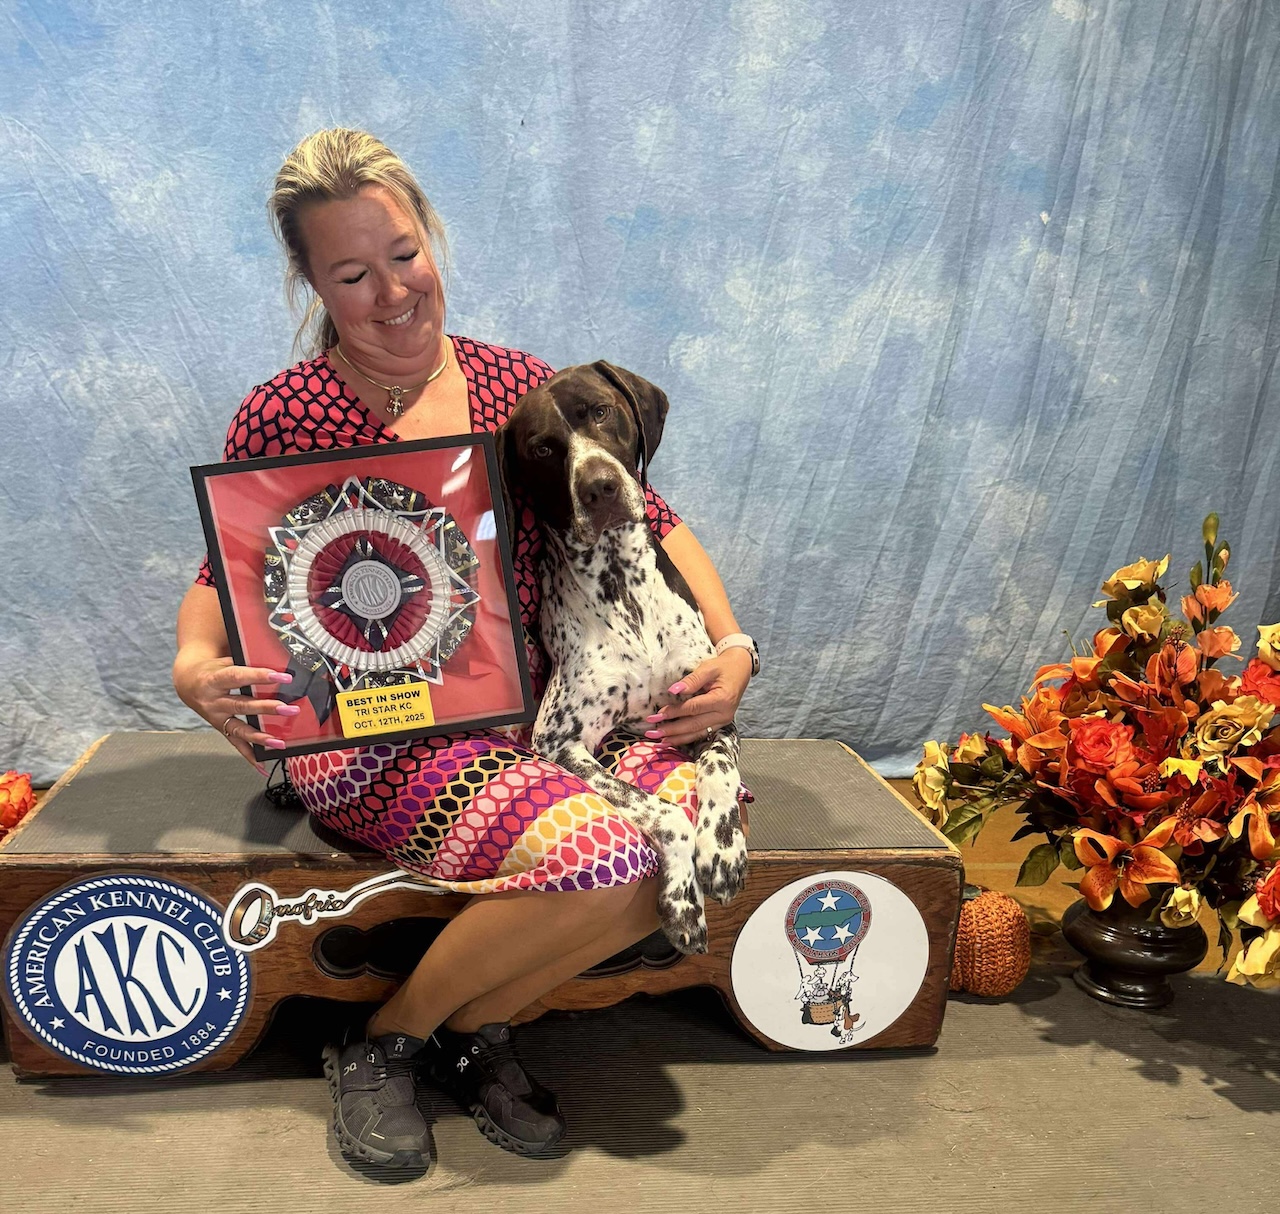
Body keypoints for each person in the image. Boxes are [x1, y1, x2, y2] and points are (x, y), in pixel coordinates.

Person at [172, 128, 758, 1170]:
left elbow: (651, 517)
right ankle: (384, 1038)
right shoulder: (284, 412)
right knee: (608, 856)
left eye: (403, 254)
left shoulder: (513, 388)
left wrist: (734, 643)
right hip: (365, 736)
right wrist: (192, 664)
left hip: (523, 719)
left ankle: (469, 1025)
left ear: (430, 238)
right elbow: (227, 572)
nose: (391, 291)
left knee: (692, 835)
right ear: (310, 282)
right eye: (352, 273)